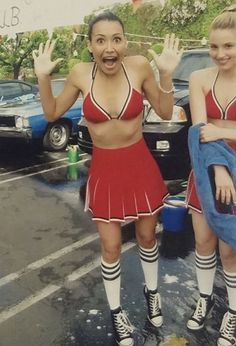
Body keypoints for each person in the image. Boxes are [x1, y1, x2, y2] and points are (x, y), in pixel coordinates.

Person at [33, 12, 182, 346]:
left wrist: (167, 75)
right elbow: (52, 113)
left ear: (125, 42)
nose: (109, 47)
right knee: (111, 246)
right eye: (101, 40)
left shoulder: (141, 66)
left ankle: (152, 292)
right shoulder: (80, 74)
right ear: (90, 46)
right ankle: (117, 312)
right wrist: (43, 77)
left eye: (117, 39)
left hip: (140, 164)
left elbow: (167, 110)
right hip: (105, 170)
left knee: (146, 237)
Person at [186, 5, 236, 346]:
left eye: (228, 46)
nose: (220, 54)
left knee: (230, 248)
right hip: (206, 172)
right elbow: (201, 131)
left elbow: (212, 130)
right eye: (214, 47)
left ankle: (233, 311)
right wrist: (219, 170)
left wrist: (220, 131)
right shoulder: (198, 78)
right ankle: (204, 299)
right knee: (203, 242)